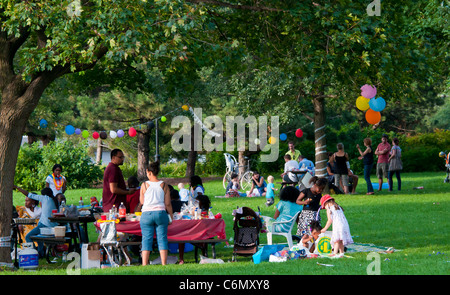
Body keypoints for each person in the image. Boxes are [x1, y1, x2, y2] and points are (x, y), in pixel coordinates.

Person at [140, 161, 173, 266]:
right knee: (162, 238)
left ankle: (144, 264)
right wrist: (171, 216)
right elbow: (167, 203)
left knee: (146, 238)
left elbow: (142, 202)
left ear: (148, 172)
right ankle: (164, 263)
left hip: (146, 214)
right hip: (160, 213)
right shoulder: (164, 185)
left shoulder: (144, 185)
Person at [13, 186, 62, 257]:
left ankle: (33, 254)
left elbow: (29, 194)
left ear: (44, 194)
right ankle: (41, 253)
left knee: (28, 237)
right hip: (51, 226)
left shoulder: (45, 198)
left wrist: (18, 188)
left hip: (45, 225)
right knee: (39, 238)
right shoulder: (53, 200)